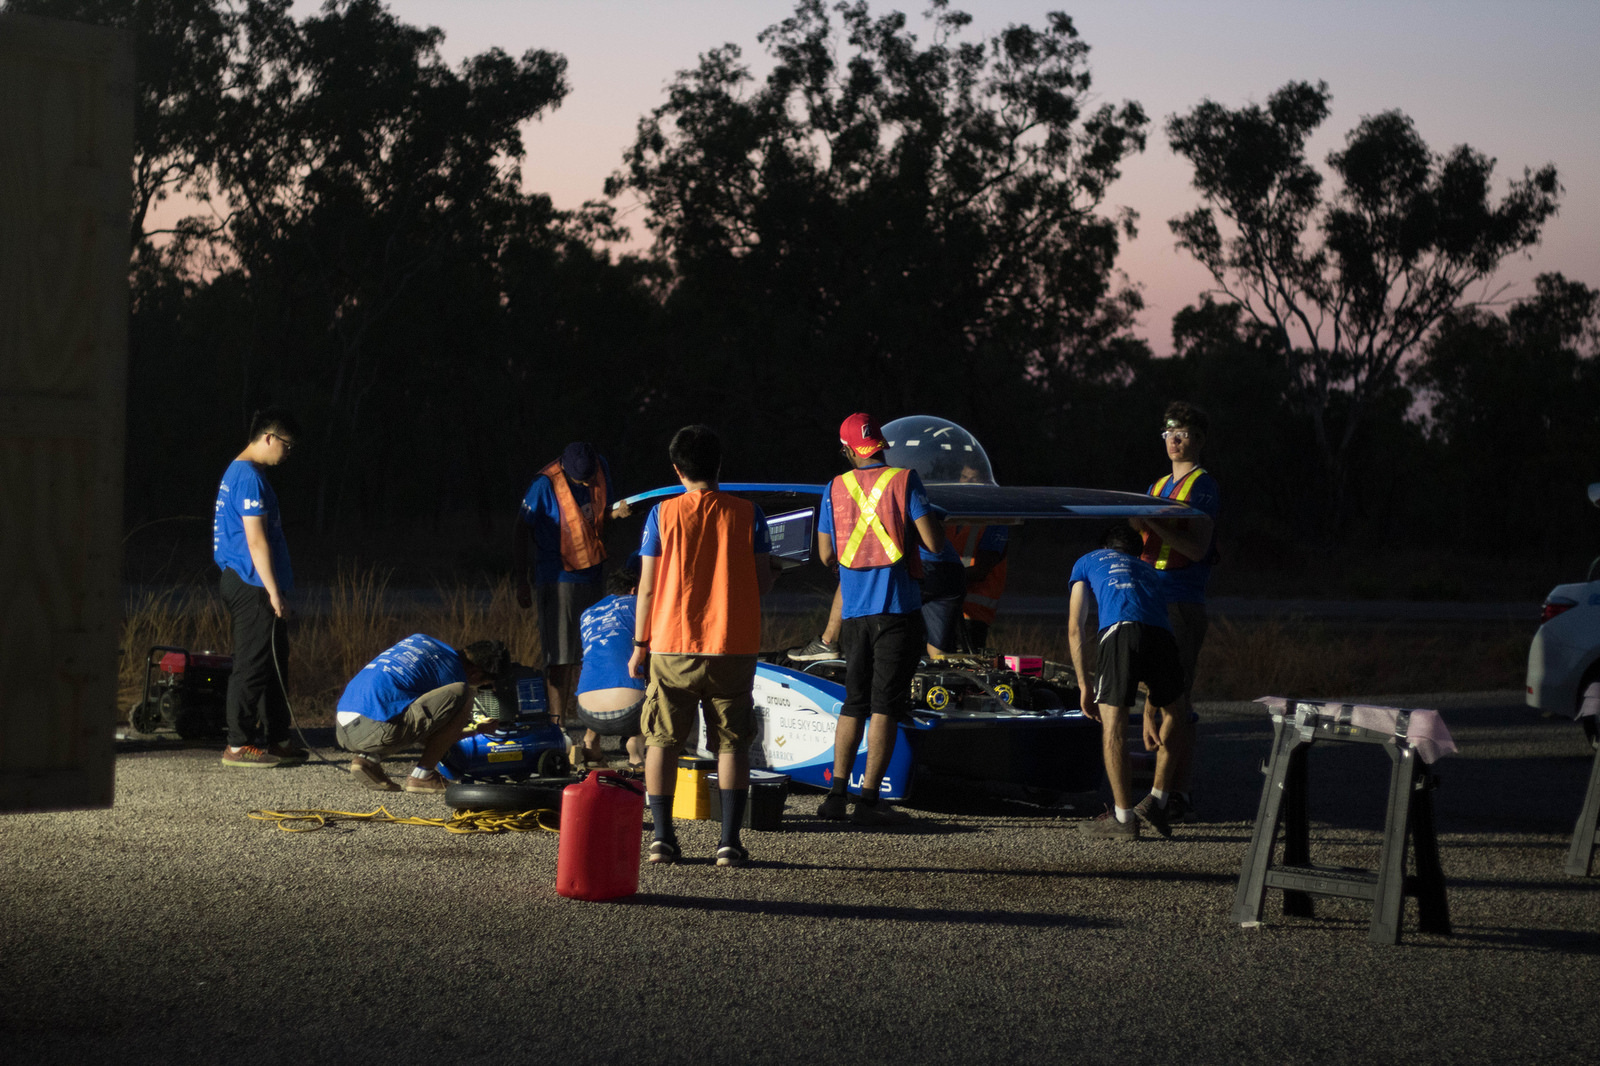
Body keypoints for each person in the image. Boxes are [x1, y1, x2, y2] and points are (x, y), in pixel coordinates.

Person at [627, 425, 777, 867]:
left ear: (677, 469)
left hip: (672, 643)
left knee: (662, 739)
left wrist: (640, 645)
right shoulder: (750, 514)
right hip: (732, 644)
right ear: (719, 466)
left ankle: (663, 839)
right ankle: (729, 843)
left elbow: (647, 588)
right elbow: (762, 583)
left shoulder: (661, 514)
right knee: (732, 742)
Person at [814, 412, 947, 826]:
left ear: (848, 450)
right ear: (880, 446)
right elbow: (934, 543)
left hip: (854, 614)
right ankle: (869, 801)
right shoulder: (905, 480)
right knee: (886, 705)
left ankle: (836, 795)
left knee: (854, 702)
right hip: (897, 611)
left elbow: (826, 555)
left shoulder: (834, 487)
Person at [1128, 401, 1219, 823]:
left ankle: (1172, 794)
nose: (1174, 441)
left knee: (1176, 697)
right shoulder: (1158, 484)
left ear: (1198, 440)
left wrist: (1152, 521)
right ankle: (1173, 791)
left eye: (1182, 434)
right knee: (1160, 693)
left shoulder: (1203, 486)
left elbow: (1196, 549)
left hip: (1181, 599)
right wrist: (1137, 518)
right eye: (1169, 433)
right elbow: (1142, 533)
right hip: (1152, 595)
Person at [1067, 524, 1188, 841]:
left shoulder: (1088, 560)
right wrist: (1150, 710)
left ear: (1105, 547)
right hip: (1161, 636)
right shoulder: (1148, 571)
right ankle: (1157, 801)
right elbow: (1152, 624)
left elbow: (1076, 627)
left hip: (1119, 632)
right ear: (1138, 552)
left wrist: (1085, 685)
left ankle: (1123, 819)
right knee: (1177, 713)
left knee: (1114, 726)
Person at [513, 442, 629, 747]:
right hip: (558, 576)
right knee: (560, 653)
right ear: (565, 469)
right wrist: (522, 580)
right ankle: (557, 726)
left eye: (590, 479)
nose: (588, 485)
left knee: (595, 649)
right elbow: (521, 529)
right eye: (581, 481)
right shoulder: (544, 484)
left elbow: (602, 515)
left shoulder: (599, 468)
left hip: (594, 571)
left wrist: (618, 513)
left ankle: (595, 727)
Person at [213, 407, 304, 769]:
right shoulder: (247, 477)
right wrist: (273, 592)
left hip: (257, 581)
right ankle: (238, 744)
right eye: (287, 444)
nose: (288, 452)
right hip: (252, 582)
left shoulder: (244, 474)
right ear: (269, 437)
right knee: (252, 664)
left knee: (274, 662)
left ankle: (278, 738)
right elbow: (255, 539)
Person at [335, 635, 508, 793]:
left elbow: (421, 725)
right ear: (476, 674)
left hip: (343, 729)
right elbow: (435, 737)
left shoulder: (422, 642)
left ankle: (367, 760)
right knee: (464, 694)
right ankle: (423, 776)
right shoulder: (453, 674)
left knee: (401, 710)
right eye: (484, 683)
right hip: (373, 729)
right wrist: (477, 731)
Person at [574, 563, 649, 769]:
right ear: (634, 590)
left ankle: (591, 742)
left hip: (587, 713)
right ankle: (636, 743)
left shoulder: (587, 613)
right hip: (631, 714)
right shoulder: (638, 604)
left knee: (601, 669)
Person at [946, 521, 1009, 651]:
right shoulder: (950, 520)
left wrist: (940, 578)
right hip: (944, 611)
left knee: (966, 660)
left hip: (973, 616)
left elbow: (981, 570)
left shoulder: (995, 522)